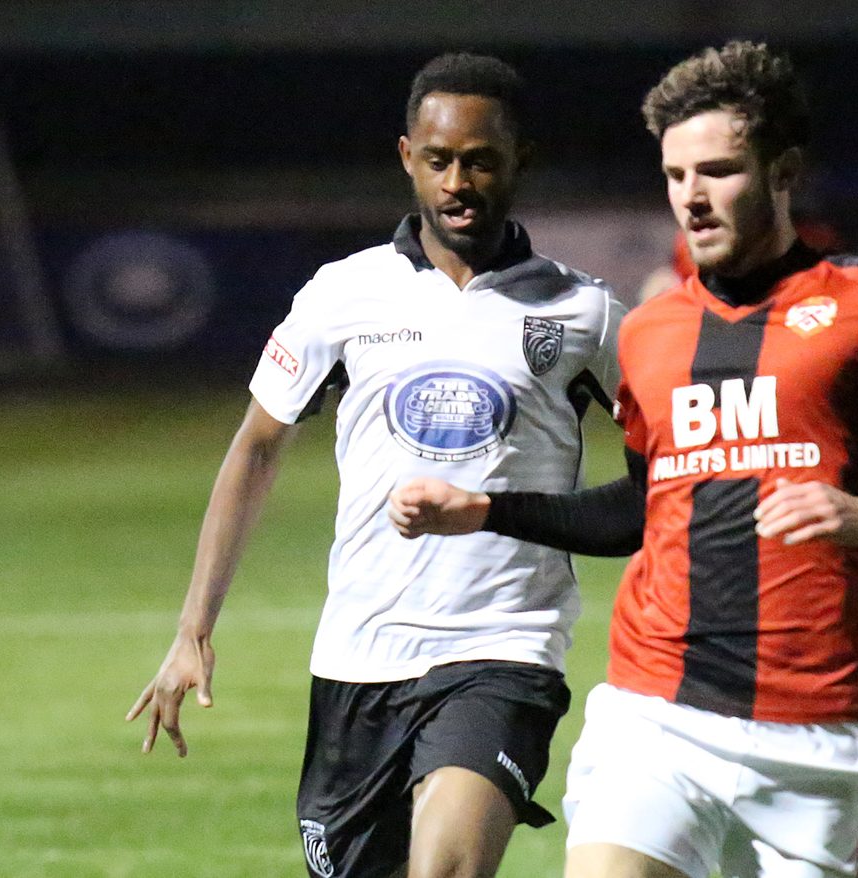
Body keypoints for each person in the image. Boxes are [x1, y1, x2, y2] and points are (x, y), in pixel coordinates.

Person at [389, 40, 858, 878]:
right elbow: (642, 506)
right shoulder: (653, 333)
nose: (691, 198)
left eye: (719, 170)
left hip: (818, 735)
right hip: (654, 713)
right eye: (675, 175)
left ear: (782, 171)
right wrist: (487, 510)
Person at [127, 51, 626, 878]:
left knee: (445, 868)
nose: (458, 182)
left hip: (504, 646)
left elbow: (676, 456)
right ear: (407, 158)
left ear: (520, 161)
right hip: (358, 659)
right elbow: (257, 446)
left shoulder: (582, 310)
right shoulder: (342, 294)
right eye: (439, 161)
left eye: (481, 160)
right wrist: (193, 629)